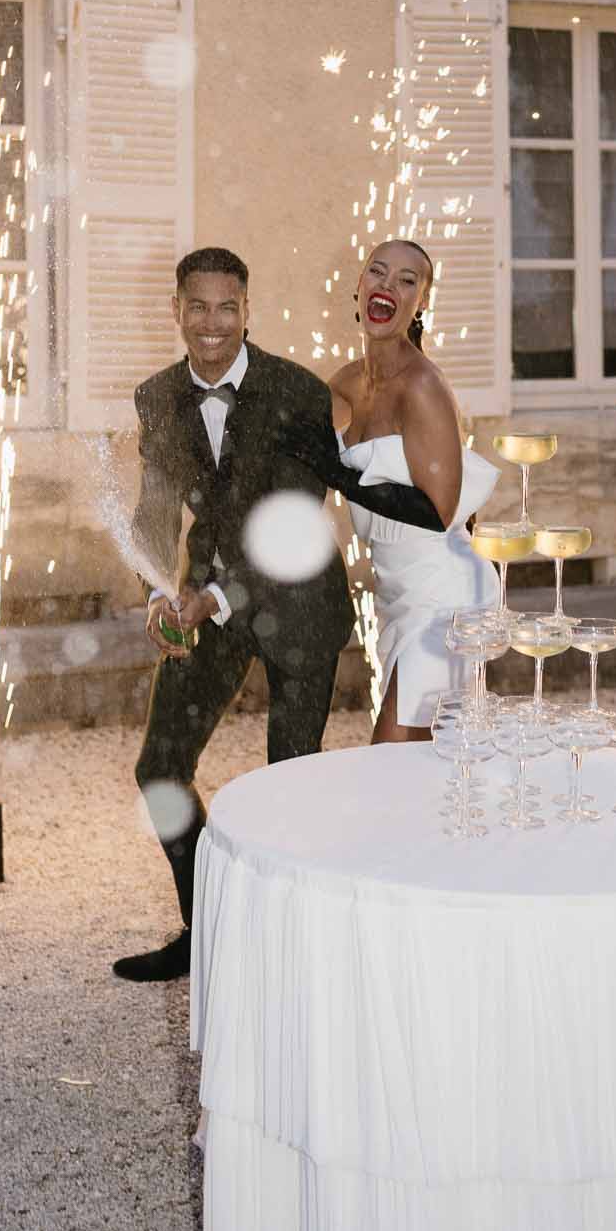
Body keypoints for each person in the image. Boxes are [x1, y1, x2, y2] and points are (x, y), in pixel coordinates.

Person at [115, 245, 453, 982]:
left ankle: (293, 953)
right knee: (160, 767)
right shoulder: (155, 397)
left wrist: (216, 594)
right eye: (197, 306)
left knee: (290, 782)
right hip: (207, 605)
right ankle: (206, 928)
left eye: (227, 307)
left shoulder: (296, 391)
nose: (212, 323)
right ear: (175, 311)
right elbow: (151, 512)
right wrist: (156, 595)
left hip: (297, 607)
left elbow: (295, 521)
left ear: (247, 310)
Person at [280, 240, 499, 743]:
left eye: (407, 280)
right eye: (377, 272)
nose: (387, 285)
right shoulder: (345, 385)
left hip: (445, 592)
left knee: (390, 753)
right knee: (426, 766)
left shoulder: (423, 387)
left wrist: (338, 474)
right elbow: (300, 467)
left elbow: (439, 512)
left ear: (421, 302)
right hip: (396, 590)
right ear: (359, 288)